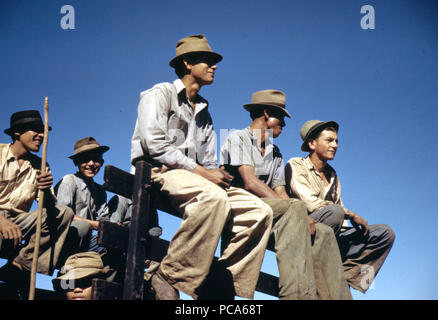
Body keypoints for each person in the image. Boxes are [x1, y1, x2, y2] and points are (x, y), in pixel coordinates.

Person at [130, 34, 273, 300]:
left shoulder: (205, 111)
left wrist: (214, 173)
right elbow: (154, 145)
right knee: (213, 196)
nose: (214, 66)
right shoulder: (159, 94)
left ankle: (217, 284)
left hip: (195, 179)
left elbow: (207, 161)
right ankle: (168, 275)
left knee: (259, 211)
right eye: (207, 61)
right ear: (187, 63)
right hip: (160, 173)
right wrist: (201, 172)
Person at [219, 90, 351, 300]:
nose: (284, 124)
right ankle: (296, 295)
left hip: (270, 212)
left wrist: (303, 217)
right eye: (281, 117)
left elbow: (280, 191)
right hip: (241, 208)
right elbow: (250, 182)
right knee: (296, 208)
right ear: (265, 114)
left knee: (324, 231)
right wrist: (297, 211)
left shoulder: (276, 153)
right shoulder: (238, 137)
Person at [286, 120, 395, 293]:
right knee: (335, 212)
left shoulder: (332, 174)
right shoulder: (296, 165)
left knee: (384, 233)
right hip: (304, 230)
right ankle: (319, 274)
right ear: (312, 143)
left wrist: (350, 228)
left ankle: (347, 279)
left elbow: (338, 208)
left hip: (332, 233)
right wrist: (350, 214)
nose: (335, 145)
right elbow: (311, 204)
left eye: (336, 141)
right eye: (329, 140)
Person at [0, 110, 74, 299]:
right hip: (2, 222)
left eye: (43, 131)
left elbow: (48, 208)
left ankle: (18, 266)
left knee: (64, 213)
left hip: (19, 223)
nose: (41, 135)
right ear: (17, 133)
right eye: (36, 130)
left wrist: (46, 190)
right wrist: (2, 221)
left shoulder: (41, 165)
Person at [55, 137, 110, 257]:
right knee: (82, 226)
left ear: (101, 162)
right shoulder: (69, 181)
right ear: (77, 162)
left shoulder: (99, 191)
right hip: (65, 239)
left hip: (86, 240)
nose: (91, 164)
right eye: (85, 160)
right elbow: (63, 216)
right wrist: (96, 225)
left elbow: (103, 220)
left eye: (96, 160)